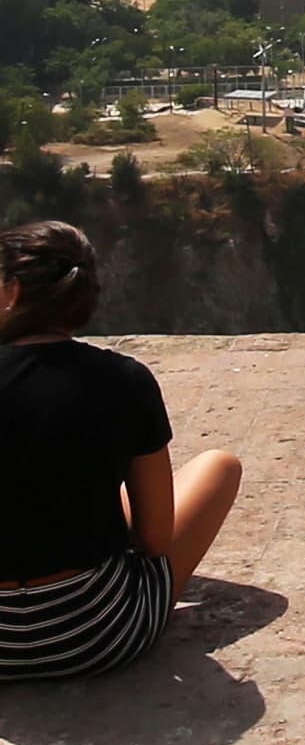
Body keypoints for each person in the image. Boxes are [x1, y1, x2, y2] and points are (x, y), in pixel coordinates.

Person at [0, 221, 243, 681]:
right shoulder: (124, 380)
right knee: (219, 466)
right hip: (97, 634)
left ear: (12, 291)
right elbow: (155, 540)